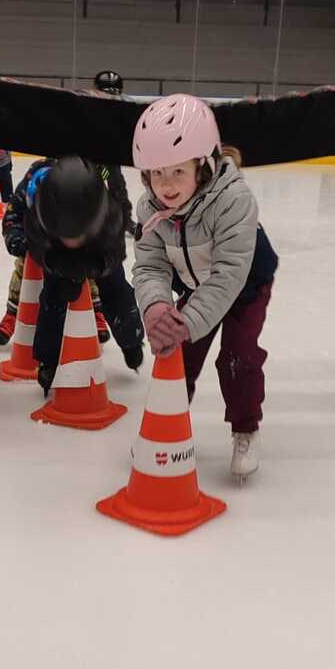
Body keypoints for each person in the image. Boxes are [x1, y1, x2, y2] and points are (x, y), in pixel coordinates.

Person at [131, 94, 278, 481]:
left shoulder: (233, 200)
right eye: (156, 173)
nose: (166, 186)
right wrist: (157, 308)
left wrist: (186, 321)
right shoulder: (149, 209)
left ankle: (245, 429)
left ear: (204, 166)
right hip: (197, 283)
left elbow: (229, 274)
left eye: (178, 172)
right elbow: (150, 266)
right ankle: (165, 427)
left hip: (246, 286)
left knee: (237, 357)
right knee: (177, 354)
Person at [3, 156, 144, 393]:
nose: (72, 241)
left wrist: (96, 266)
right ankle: (48, 360)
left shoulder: (109, 212)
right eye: (66, 235)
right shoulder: (37, 205)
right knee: (52, 299)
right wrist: (53, 262)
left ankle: (131, 340)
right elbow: (26, 233)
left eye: (76, 235)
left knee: (117, 290)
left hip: (97, 248)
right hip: (55, 251)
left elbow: (116, 251)